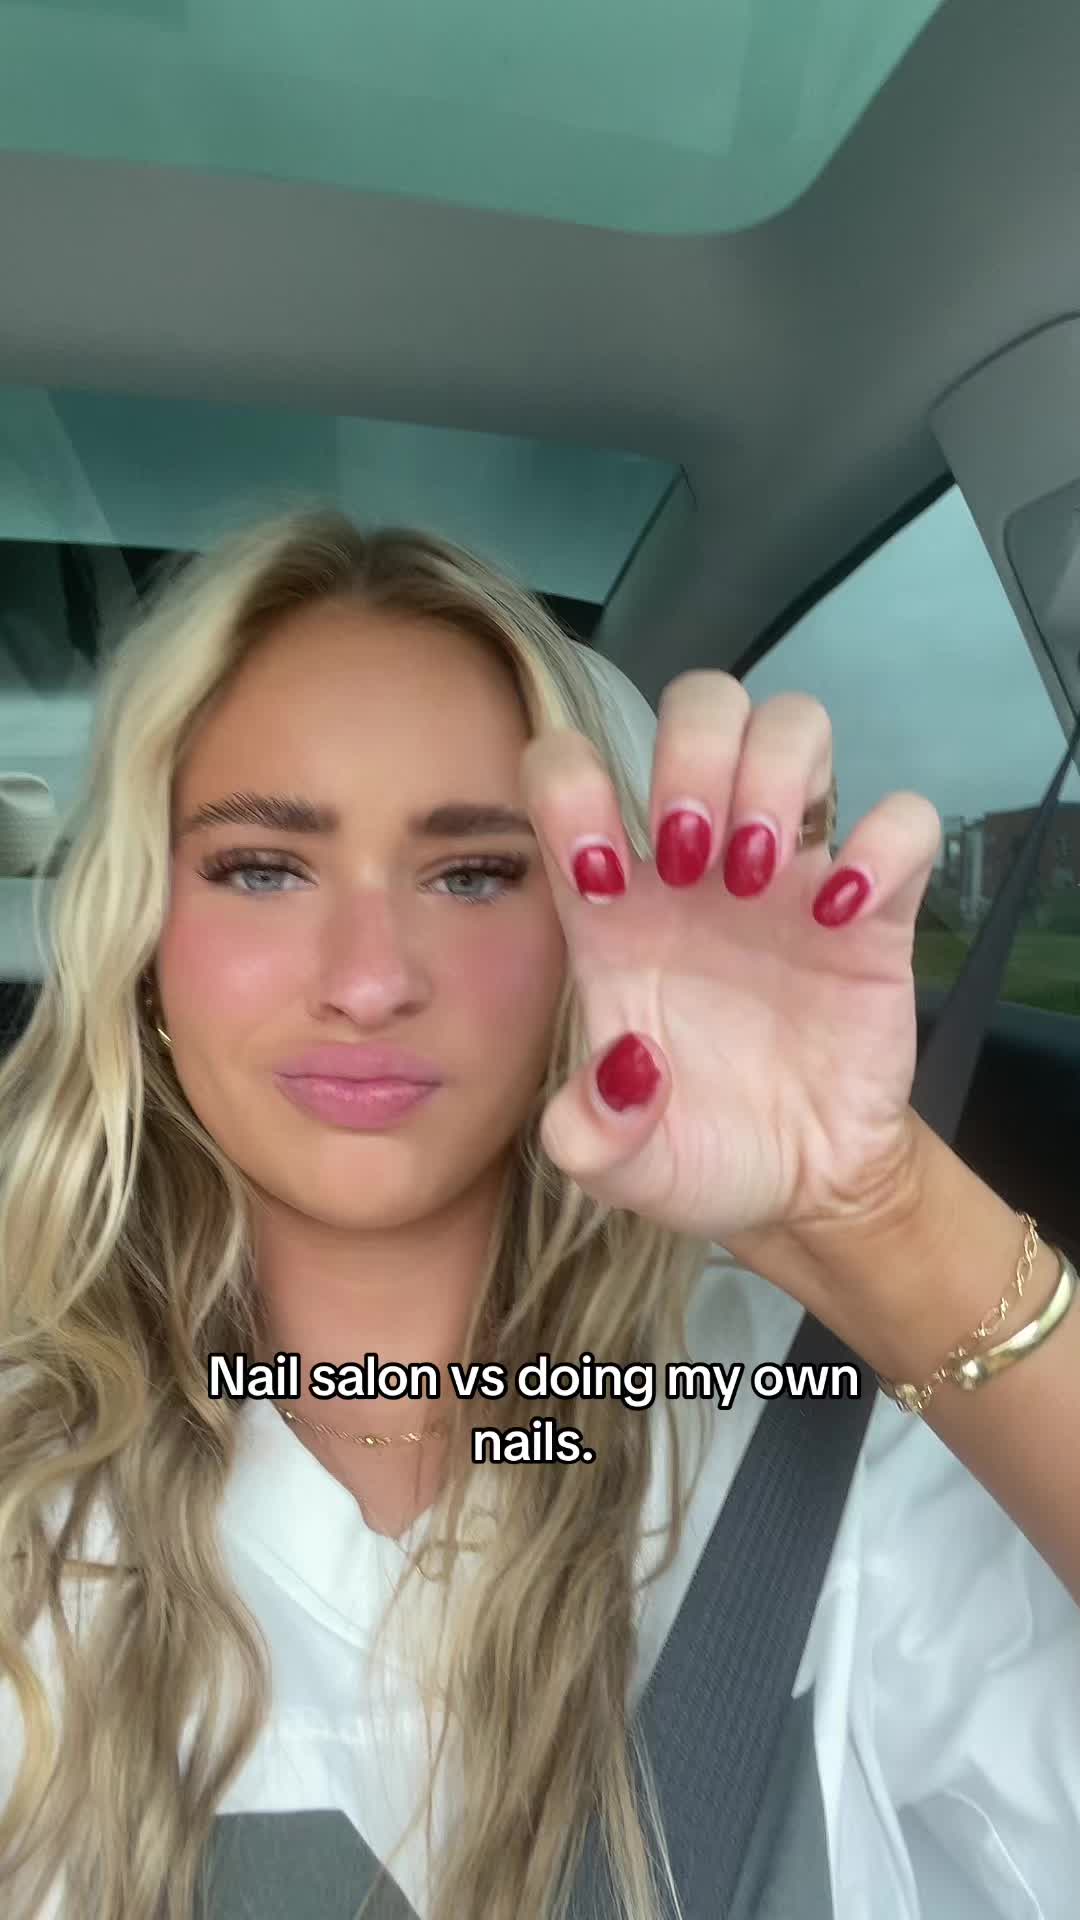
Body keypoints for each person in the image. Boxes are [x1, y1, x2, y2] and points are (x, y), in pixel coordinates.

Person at [0, 509, 1077, 1920]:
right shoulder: (27, 1474)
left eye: (475, 873)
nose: (370, 979)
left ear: (586, 939)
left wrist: (880, 1218)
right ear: (145, 940)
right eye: (262, 866)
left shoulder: (809, 1446)